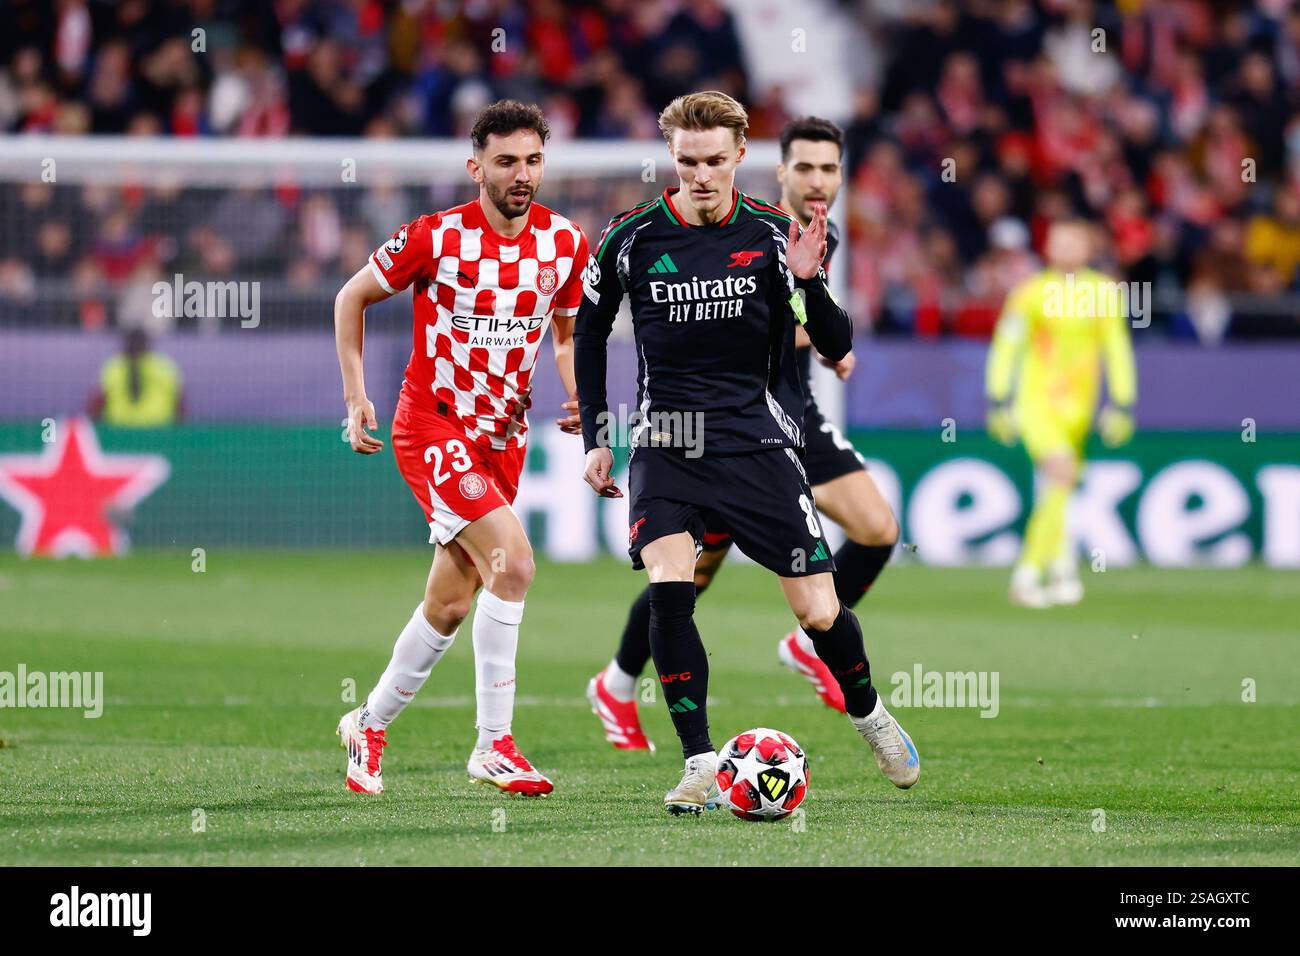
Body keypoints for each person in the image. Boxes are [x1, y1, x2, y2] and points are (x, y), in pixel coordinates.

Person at [575, 91, 920, 814]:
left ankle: (870, 716)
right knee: (673, 586)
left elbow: (837, 343)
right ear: (672, 157)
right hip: (667, 439)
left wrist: (805, 278)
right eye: (686, 161)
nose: (700, 175)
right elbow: (588, 329)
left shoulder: (773, 234)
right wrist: (598, 437)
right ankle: (699, 759)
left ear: (739, 156)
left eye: (714, 161)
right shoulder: (630, 237)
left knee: (819, 610)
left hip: (756, 440)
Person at [333, 100, 588, 795]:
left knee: (449, 603)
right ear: (476, 167)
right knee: (516, 564)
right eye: (507, 161)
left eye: (533, 160)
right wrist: (357, 396)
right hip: (433, 427)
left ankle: (368, 723)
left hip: (502, 439)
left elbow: (565, 335)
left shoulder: (566, 244)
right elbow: (350, 298)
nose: (522, 174)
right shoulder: (435, 237)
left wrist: (579, 394)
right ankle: (494, 745)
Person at [986, 219, 1137, 607]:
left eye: (1074, 241)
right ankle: (1027, 573)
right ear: (1048, 247)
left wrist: (1122, 402)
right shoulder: (1030, 293)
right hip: (1036, 402)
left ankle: (1061, 565)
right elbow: (1008, 345)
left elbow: (1116, 348)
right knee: (1062, 474)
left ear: (1089, 248)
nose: (1066, 248)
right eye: (1059, 241)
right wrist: (998, 398)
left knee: (1059, 487)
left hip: (1080, 409)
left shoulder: (1104, 292)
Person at [89, 329, 184, 427]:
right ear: (147, 346)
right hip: (159, 433)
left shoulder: (114, 367)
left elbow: (96, 406)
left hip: (119, 433)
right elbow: (180, 405)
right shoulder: (164, 367)